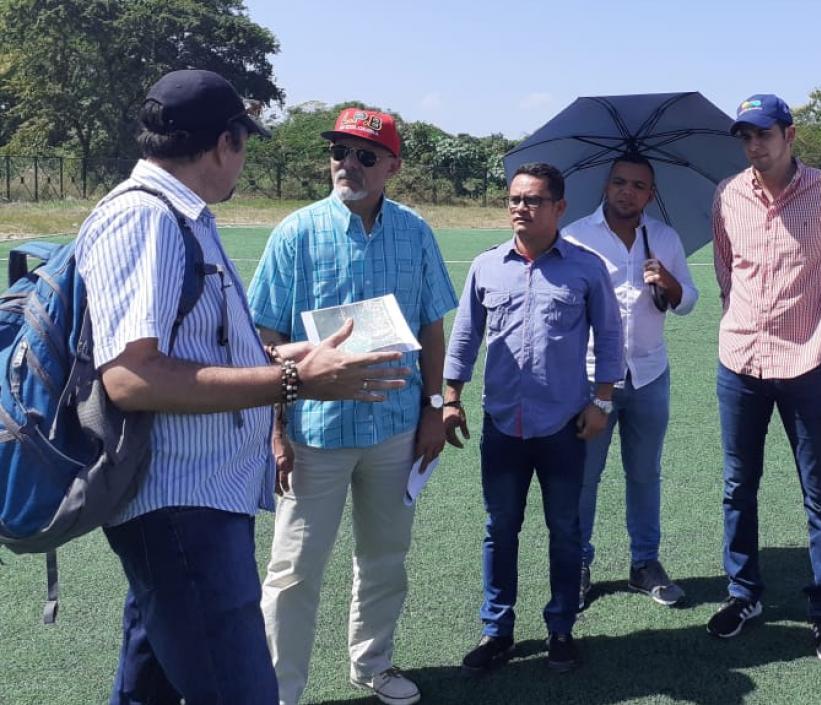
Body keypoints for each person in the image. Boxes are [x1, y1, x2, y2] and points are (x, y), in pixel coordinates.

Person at [77, 69, 408, 705]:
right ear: (225, 142)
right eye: (244, 143)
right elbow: (130, 375)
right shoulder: (147, 217)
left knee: (151, 684)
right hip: (180, 504)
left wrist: (289, 354)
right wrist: (292, 378)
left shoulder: (179, 213)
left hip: (194, 499)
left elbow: (193, 346)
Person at [248, 108, 458, 705]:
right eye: (340, 151)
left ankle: (373, 665)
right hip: (315, 433)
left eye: (366, 155)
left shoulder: (415, 230)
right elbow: (262, 340)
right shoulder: (296, 231)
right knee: (292, 572)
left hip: (394, 428)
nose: (348, 164)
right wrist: (277, 431)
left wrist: (433, 407)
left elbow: (430, 328)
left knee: (385, 557)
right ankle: (277, 691)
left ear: (392, 166)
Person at [707, 94, 821, 664]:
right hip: (741, 363)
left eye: (764, 134)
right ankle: (743, 594)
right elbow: (729, 272)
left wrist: (810, 325)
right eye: (745, 136)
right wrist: (749, 322)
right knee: (737, 486)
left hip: (806, 364)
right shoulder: (728, 194)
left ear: (789, 134)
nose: (754, 146)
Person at [443, 162, 622, 674]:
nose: (522, 208)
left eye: (535, 200)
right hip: (503, 425)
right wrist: (451, 397)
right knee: (500, 529)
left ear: (559, 208)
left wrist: (602, 401)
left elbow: (609, 338)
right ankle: (497, 630)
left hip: (565, 426)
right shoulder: (486, 266)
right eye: (515, 199)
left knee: (565, 530)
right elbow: (464, 336)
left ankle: (561, 628)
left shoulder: (586, 268)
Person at [560, 152, 699, 608]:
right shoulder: (575, 237)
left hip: (649, 375)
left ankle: (645, 564)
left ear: (650, 193)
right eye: (619, 182)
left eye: (638, 185)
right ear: (606, 186)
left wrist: (670, 282)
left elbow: (688, 301)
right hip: (589, 380)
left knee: (644, 474)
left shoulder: (663, 238)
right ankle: (577, 563)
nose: (627, 191)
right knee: (584, 478)